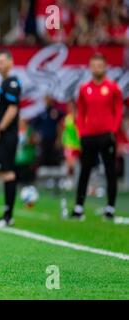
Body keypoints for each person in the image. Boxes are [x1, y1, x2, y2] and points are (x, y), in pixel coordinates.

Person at [71, 53, 124, 221]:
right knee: (84, 172)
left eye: (100, 66)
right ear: (90, 67)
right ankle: (79, 208)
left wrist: (113, 131)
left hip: (106, 136)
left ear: (105, 67)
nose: (97, 69)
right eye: (94, 66)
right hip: (89, 136)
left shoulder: (113, 87)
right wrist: (81, 131)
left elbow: (118, 111)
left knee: (110, 172)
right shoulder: (84, 88)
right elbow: (80, 113)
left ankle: (110, 208)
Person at [0, 48, 22, 227]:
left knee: (8, 172)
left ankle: (8, 216)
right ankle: (7, 214)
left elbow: (12, 108)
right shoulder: (4, 83)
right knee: (4, 173)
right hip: (4, 135)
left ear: (10, 62)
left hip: (7, 135)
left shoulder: (12, 83)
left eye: (1, 62)